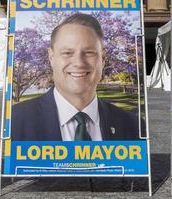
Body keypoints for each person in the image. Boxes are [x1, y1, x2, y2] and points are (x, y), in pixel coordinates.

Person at [11, 13, 141, 141]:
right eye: (67, 52)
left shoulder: (134, 126)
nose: (79, 63)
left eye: (89, 52)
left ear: (102, 58)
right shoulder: (15, 122)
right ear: (51, 57)